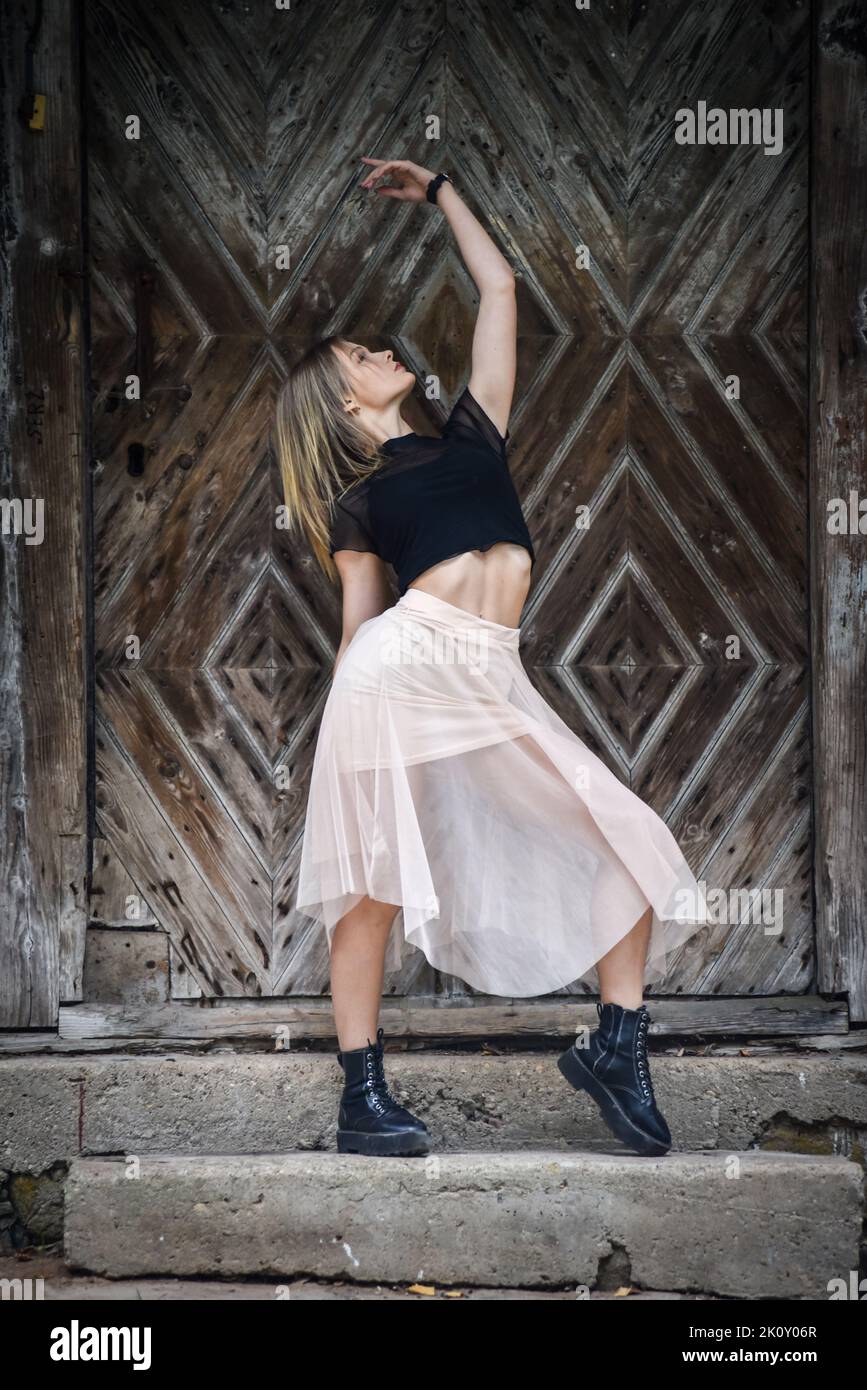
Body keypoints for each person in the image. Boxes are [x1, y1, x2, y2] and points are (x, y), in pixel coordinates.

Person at [275, 158, 709, 1161]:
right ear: (344, 403)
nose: (379, 350)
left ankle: (615, 1042)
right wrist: (341, 771)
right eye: (358, 354)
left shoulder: (474, 435)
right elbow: (358, 630)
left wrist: (439, 192)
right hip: (397, 674)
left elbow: (501, 289)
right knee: (371, 884)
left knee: (622, 833)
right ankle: (361, 1097)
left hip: (489, 673)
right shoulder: (360, 502)